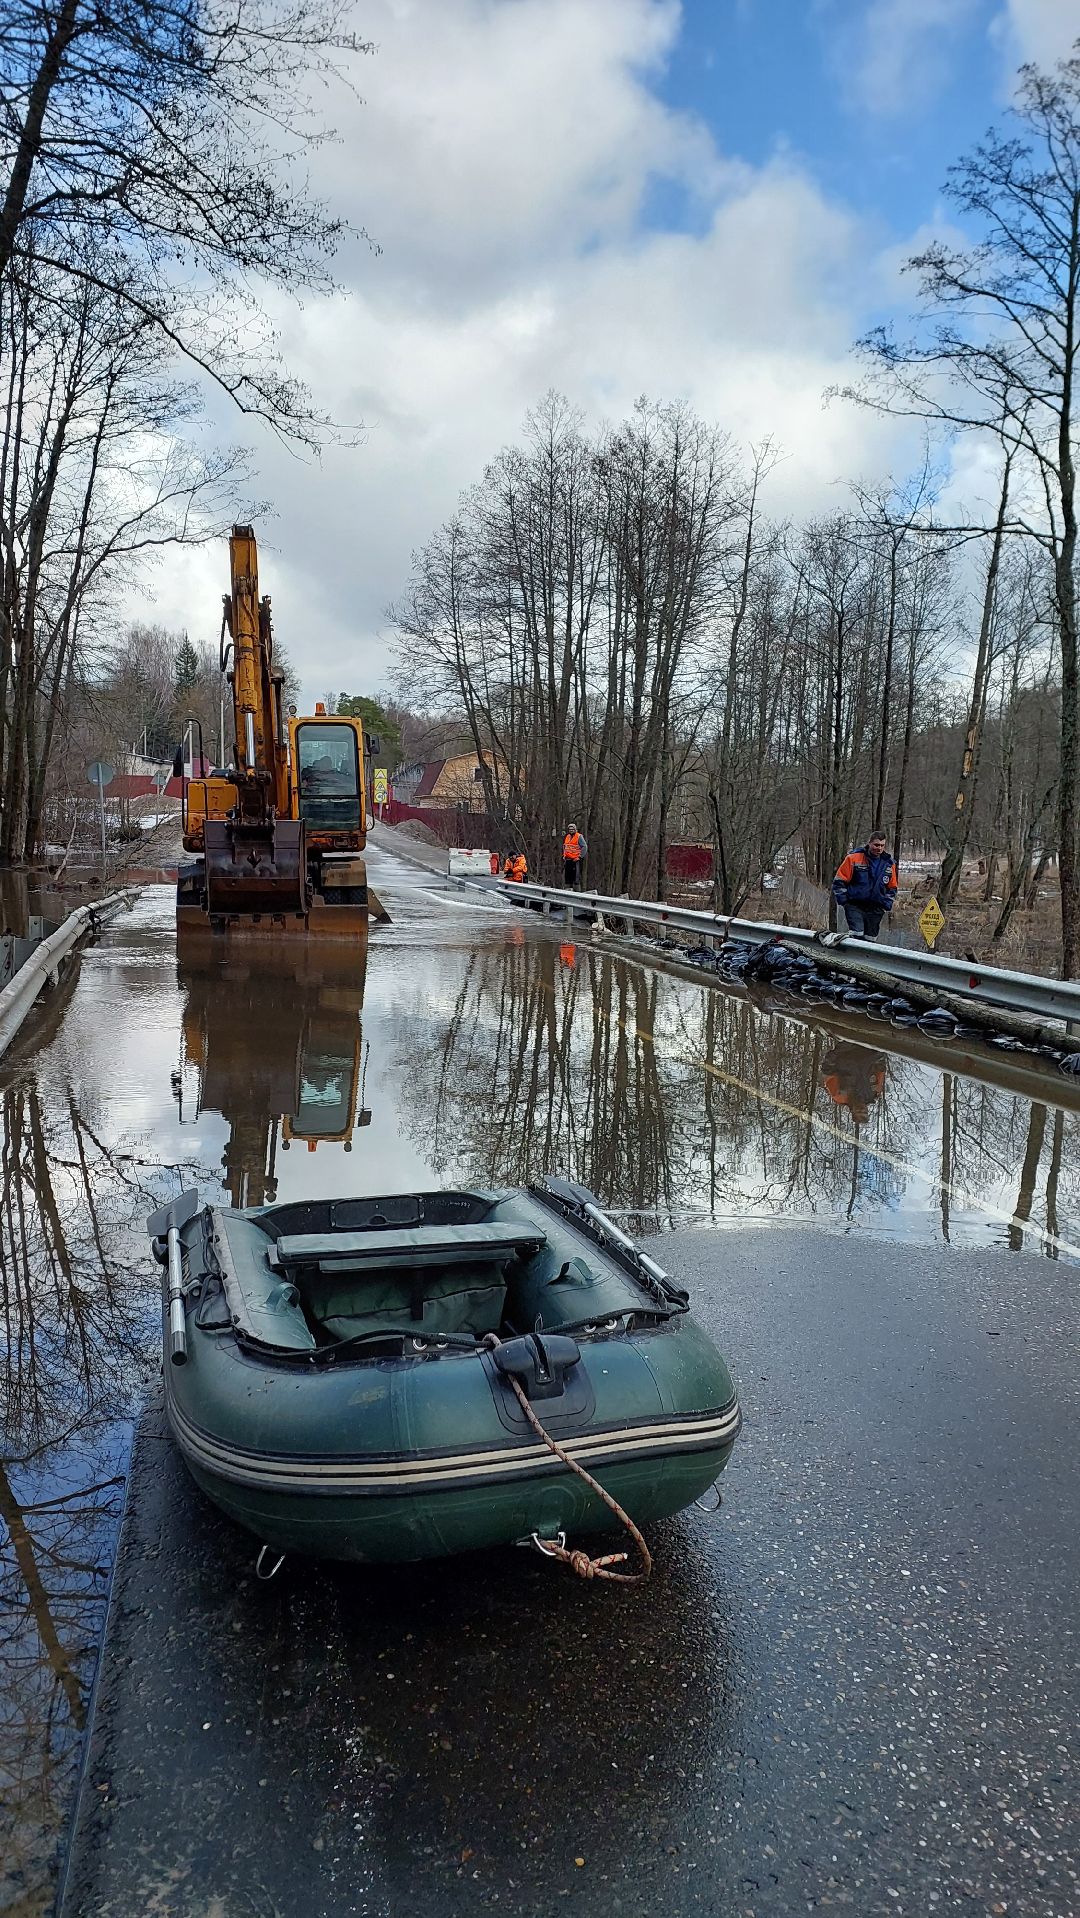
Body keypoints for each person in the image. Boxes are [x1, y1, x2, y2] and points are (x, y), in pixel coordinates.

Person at [832, 830, 898, 940]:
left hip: (876, 908)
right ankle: (851, 957)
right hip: (855, 905)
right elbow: (839, 881)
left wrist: (885, 905)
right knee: (856, 935)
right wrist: (844, 901)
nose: (879, 848)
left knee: (870, 940)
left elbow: (892, 888)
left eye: (882, 845)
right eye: (876, 845)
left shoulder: (889, 863)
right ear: (869, 843)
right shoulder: (854, 858)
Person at [562, 823, 586, 888]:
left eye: (572, 829)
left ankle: (576, 891)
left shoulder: (579, 836)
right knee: (567, 878)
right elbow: (565, 847)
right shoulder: (567, 837)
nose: (571, 830)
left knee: (576, 878)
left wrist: (580, 857)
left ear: (575, 829)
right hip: (567, 859)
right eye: (570, 829)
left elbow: (584, 847)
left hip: (575, 860)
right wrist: (564, 855)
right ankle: (567, 890)